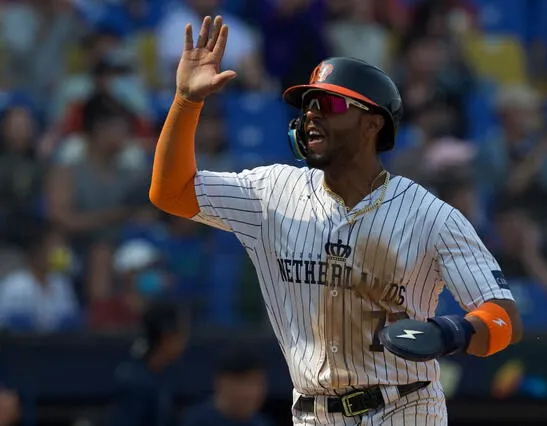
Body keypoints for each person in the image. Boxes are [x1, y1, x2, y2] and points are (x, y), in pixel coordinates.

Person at [149, 16, 523, 425]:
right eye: (307, 104)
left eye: (327, 104)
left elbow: (504, 316)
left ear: (371, 123)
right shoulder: (270, 192)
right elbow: (172, 193)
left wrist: (453, 333)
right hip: (312, 413)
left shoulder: (429, 215)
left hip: (405, 406)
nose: (310, 114)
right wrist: (187, 100)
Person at [107, 301, 189, 426]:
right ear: (167, 337)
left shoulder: (160, 375)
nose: (184, 342)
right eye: (181, 334)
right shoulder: (135, 382)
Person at [181, 339, 271, 426]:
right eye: (242, 382)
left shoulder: (261, 423)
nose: (251, 392)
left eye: (257, 383)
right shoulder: (194, 421)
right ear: (220, 382)